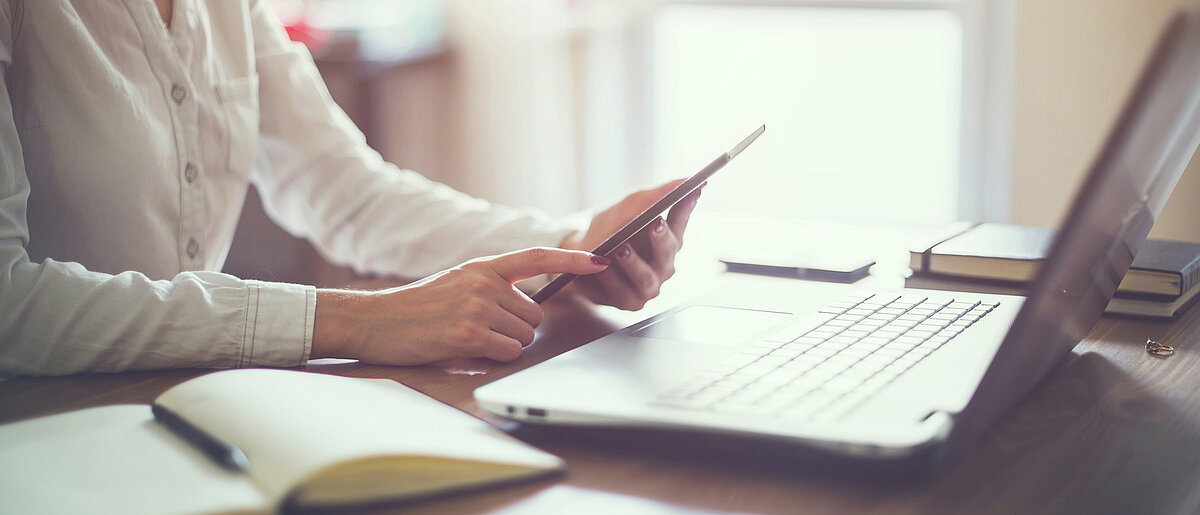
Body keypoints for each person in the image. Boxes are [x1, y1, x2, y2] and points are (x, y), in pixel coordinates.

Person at [0, 0, 698, 376]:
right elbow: (11, 305)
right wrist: (362, 320)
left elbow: (348, 192)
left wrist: (568, 250)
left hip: (189, 400)